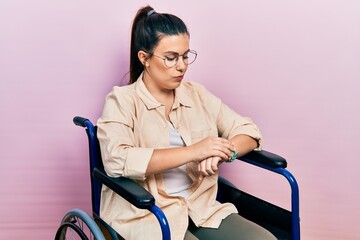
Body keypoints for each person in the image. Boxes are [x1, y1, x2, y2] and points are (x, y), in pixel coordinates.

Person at [97, 5, 276, 240]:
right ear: (144, 58)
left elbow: (248, 131)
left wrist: (223, 152)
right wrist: (194, 152)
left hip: (200, 207)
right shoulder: (122, 100)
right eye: (171, 58)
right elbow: (117, 159)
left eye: (185, 56)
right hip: (147, 215)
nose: (181, 66)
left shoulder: (197, 94)